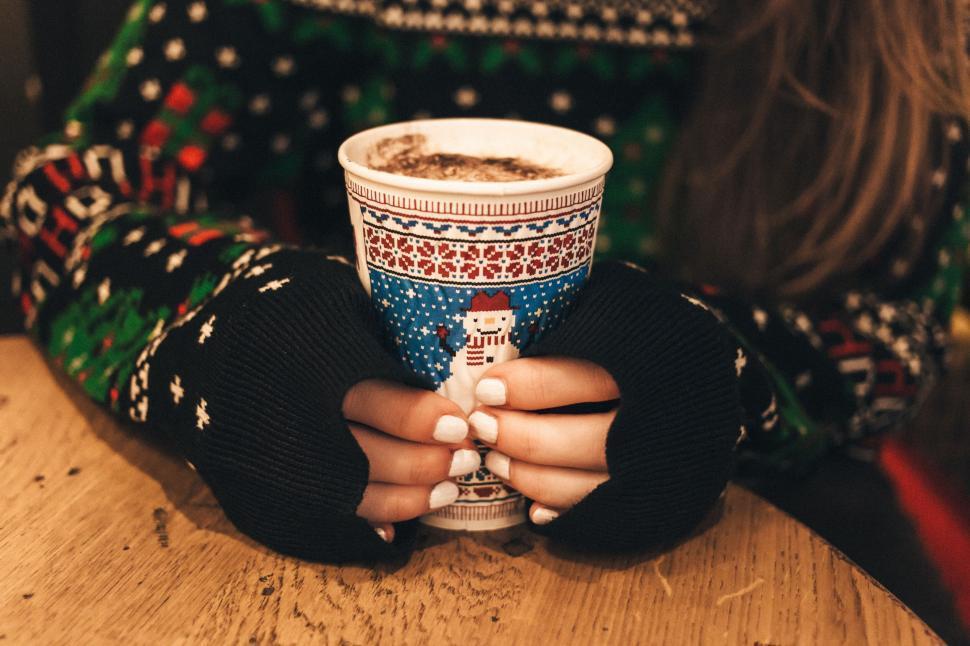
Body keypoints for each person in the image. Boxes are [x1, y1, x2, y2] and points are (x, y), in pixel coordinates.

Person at [1, 0, 967, 564]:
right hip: (359, 535)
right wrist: (228, 325)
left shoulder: (884, 32)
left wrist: (729, 380)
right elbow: (65, 191)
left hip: (769, 535)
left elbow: (897, 332)